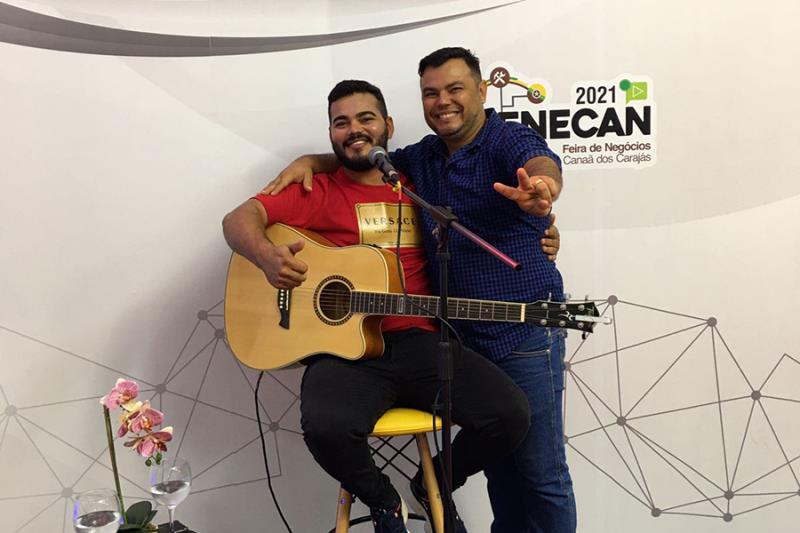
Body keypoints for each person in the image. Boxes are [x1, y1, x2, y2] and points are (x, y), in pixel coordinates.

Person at [262, 48, 576, 533]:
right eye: (431, 93)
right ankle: (396, 502)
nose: (442, 100)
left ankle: (436, 485)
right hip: (466, 332)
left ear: (482, 91)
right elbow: (362, 155)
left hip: (524, 327)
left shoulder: (506, 138)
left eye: (455, 89)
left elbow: (540, 164)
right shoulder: (419, 160)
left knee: (541, 473)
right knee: (503, 476)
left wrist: (542, 188)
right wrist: (309, 160)